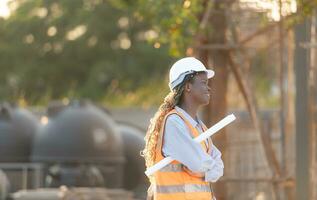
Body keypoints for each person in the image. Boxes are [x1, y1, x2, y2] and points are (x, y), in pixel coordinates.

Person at [142, 57, 224, 200]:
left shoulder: (200, 127)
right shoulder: (173, 122)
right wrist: (205, 168)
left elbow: (218, 167)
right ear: (187, 87)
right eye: (203, 83)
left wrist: (204, 168)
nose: (208, 87)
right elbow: (199, 164)